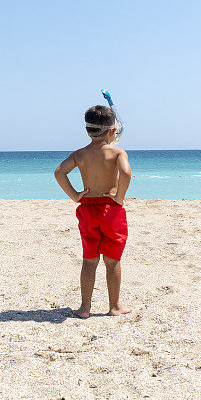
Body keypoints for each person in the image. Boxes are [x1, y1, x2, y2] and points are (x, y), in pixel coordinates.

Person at [54, 105, 132, 318]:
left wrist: (75, 195)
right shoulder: (117, 152)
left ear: (87, 131)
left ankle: (85, 308)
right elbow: (125, 172)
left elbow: (60, 172)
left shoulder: (80, 154)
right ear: (112, 131)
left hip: (88, 209)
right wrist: (120, 196)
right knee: (112, 260)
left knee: (89, 259)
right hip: (111, 210)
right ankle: (114, 307)